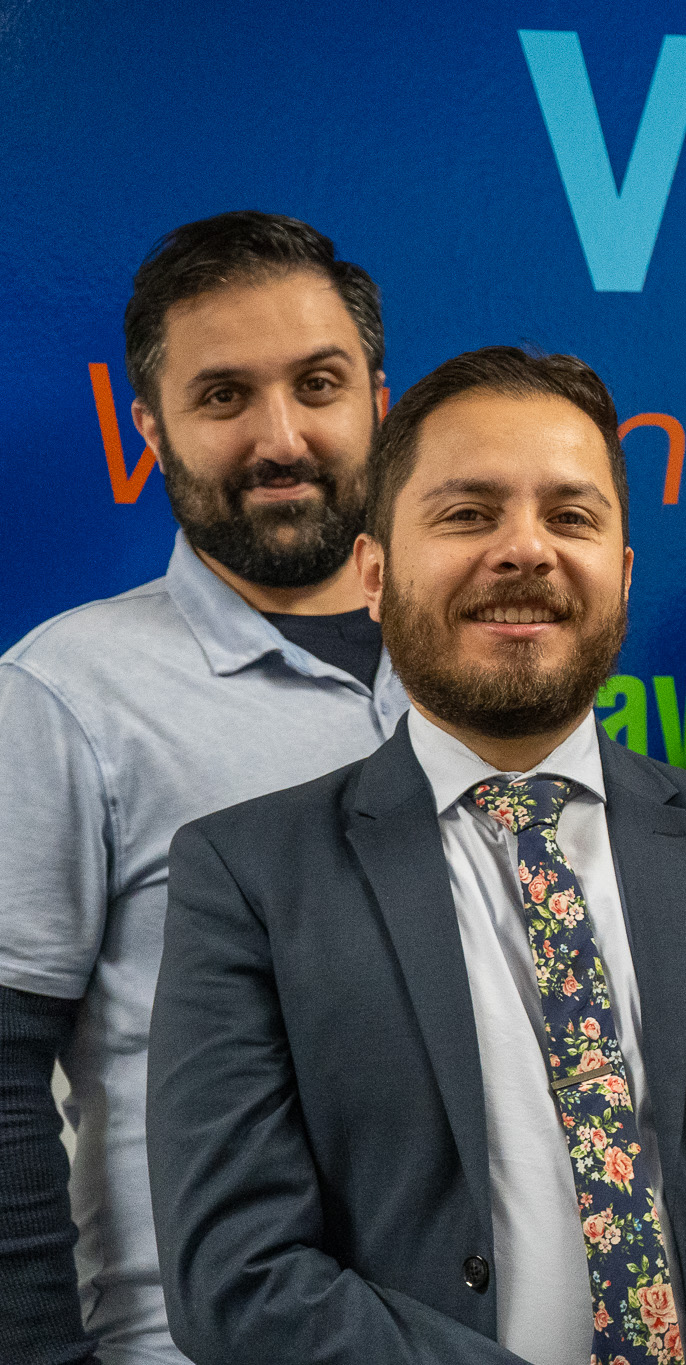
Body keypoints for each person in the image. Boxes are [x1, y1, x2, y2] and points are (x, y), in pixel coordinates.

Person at [145, 347, 686, 1365]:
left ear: (622, 575)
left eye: (571, 517)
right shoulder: (246, 878)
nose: (524, 550)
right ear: (373, 572)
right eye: (467, 514)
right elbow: (234, 1277)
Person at [0, 211, 405, 1365]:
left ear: (379, 396)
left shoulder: (474, 677)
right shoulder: (65, 691)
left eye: (318, 384)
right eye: (223, 397)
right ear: (151, 428)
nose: (280, 437)